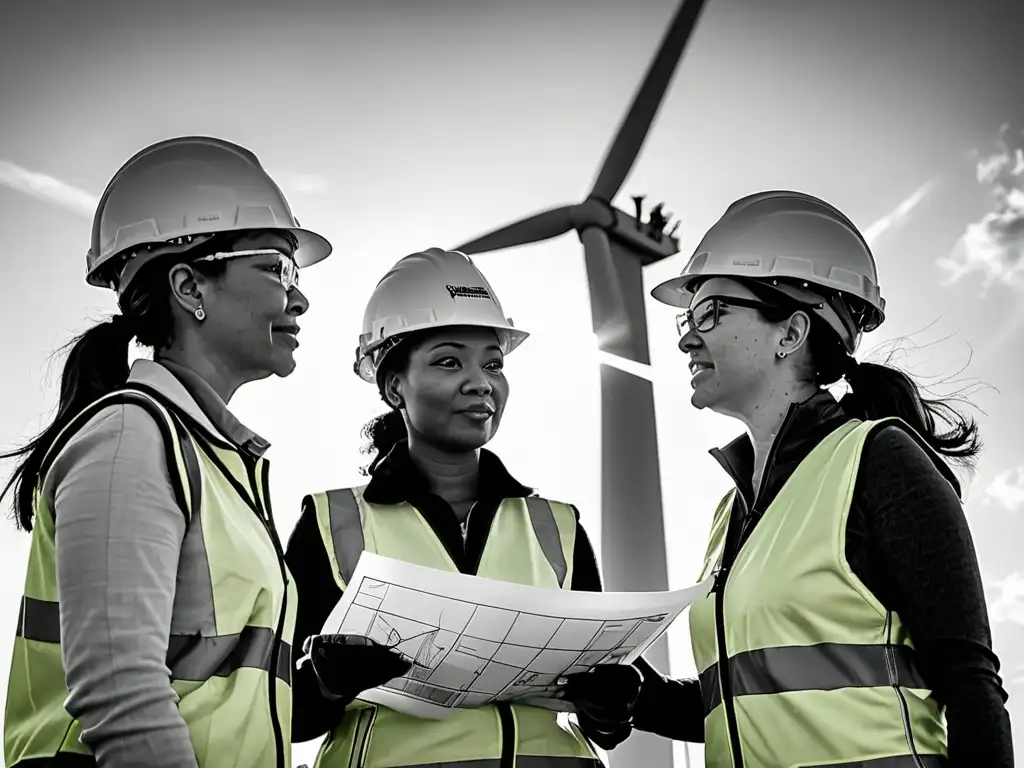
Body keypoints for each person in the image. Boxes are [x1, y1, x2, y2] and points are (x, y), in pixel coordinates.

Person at [558, 190, 1016, 766]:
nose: (685, 337)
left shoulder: (878, 460)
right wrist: (637, 696)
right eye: (687, 316)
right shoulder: (734, 508)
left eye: (711, 312)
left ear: (790, 332)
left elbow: (970, 682)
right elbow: (745, 704)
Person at [2, 136, 332, 768]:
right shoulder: (131, 439)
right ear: (188, 285)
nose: (300, 296)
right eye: (277, 268)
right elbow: (120, 693)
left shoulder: (210, 456)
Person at [284, 248, 637, 768]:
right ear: (393, 386)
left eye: (493, 363)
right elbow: (285, 715)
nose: (481, 382)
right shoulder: (331, 524)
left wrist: (611, 707)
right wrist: (322, 683)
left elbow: (603, 727)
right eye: (449, 361)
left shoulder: (558, 526)